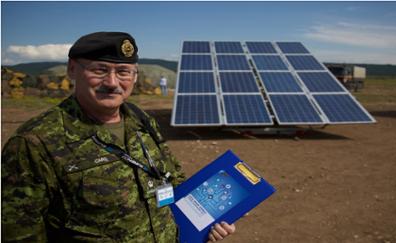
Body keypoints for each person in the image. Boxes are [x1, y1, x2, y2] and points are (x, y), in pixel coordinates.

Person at [1, 31, 235, 242]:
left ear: (134, 76)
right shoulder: (35, 142)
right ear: (72, 69)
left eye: (123, 72)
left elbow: (174, 180)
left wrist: (206, 224)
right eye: (99, 70)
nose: (112, 83)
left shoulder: (140, 119)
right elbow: (19, 233)